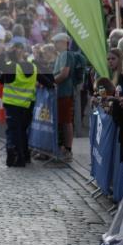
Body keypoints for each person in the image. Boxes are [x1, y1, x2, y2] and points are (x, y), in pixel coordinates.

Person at [0, 42, 37, 167]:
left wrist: (4, 52)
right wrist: (51, 85)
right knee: (23, 131)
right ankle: (26, 156)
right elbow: (45, 80)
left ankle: (18, 159)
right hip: (27, 104)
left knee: (14, 132)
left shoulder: (12, 67)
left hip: (13, 105)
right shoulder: (33, 66)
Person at [52, 32, 75, 161]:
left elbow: (64, 74)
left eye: (56, 42)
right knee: (63, 121)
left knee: (66, 121)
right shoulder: (61, 55)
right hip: (61, 92)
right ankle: (64, 147)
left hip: (64, 92)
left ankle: (68, 149)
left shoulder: (65, 54)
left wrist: (51, 82)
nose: (54, 45)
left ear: (62, 42)